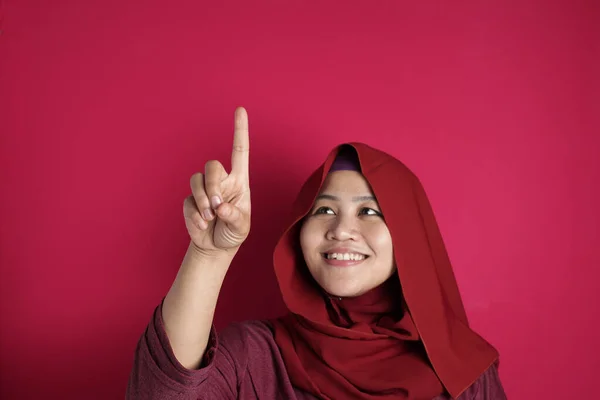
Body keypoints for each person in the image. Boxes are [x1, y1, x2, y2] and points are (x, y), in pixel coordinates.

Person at [127, 107, 507, 400]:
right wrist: (209, 255)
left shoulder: (463, 374)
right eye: (323, 210)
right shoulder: (258, 357)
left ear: (409, 235)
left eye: (369, 211)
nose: (341, 229)